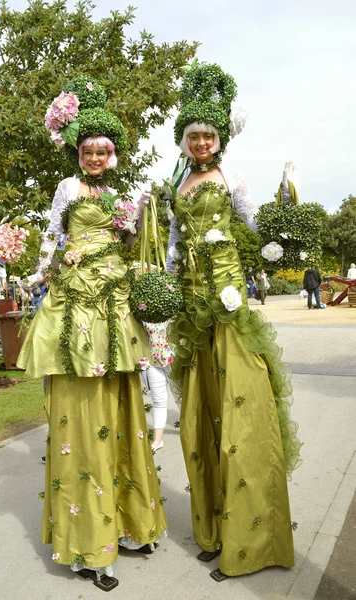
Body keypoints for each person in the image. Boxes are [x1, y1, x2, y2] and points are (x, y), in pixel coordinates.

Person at [17, 76, 166, 591]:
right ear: (78, 152)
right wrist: (42, 271)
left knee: (124, 400)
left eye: (104, 150)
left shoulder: (116, 195)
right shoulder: (67, 188)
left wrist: (143, 213)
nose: (96, 157)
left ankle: (127, 526)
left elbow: (128, 239)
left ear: (113, 155)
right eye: (89, 150)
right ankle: (86, 544)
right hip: (78, 297)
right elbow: (54, 234)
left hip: (114, 297)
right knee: (85, 402)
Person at [165, 62, 302, 582]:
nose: (201, 143)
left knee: (241, 415)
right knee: (204, 419)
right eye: (193, 135)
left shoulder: (230, 177)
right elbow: (176, 241)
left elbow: (252, 221)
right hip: (192, 306)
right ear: (184, 141)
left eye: (208, 135)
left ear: (218, 139)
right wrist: (168, 269)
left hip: (227, 303)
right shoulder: (180, 182)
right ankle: (218, 530)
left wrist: (268, 246)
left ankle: (251, 541)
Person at [143, 322, 174, 450]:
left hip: (173, 358)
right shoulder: (141, 307)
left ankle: (193, 431)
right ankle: (158, 440)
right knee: (158, 400)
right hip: (151, 360)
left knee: (181, 397)